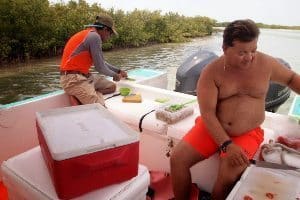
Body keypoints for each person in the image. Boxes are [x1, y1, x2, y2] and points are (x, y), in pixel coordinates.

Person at [170, 19, 300, 200]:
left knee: (228, 174)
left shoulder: (266, 64)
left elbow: (291, 78)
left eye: (253, 50)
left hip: (247, 132)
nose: (249, 57)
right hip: (212, 127)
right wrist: (226, 144)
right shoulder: (211, 72)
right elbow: (207, 114)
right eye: (242, 52)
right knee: (177, 159)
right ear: (225, 48)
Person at [60, 13, 127, 106]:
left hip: (84, 76)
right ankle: (83, 96)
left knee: (112, 87)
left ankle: (89, 94)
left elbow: (102, 63)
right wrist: (115, 75)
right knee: (100, 108)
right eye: (110, 33)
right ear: (105, 30)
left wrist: (119, 70)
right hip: (73, 80)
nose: (109, 36)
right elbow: (100, 67)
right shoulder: (94, 37)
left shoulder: (91, 35)